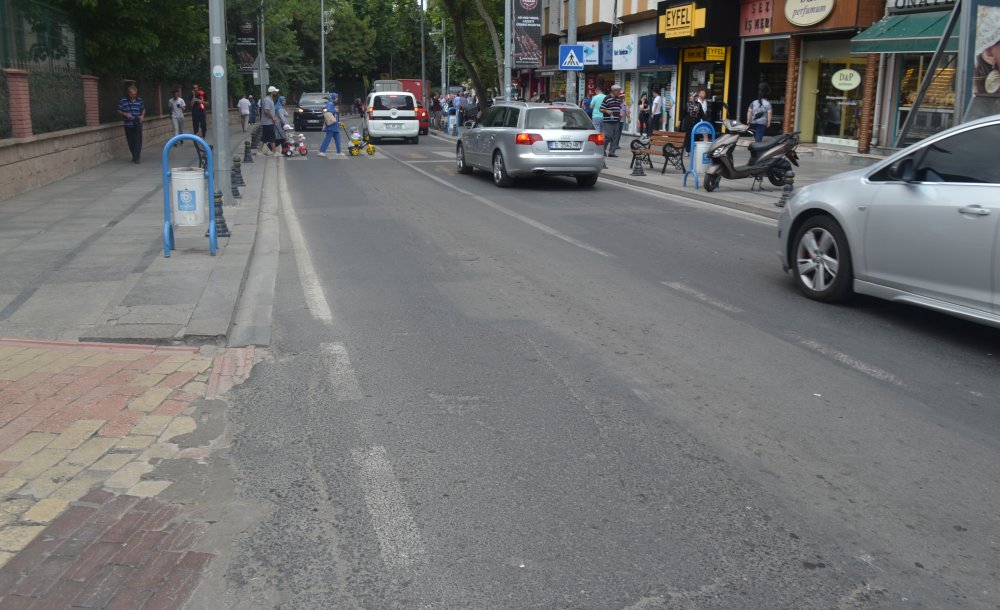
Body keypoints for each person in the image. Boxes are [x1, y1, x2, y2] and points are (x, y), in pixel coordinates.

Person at [117, 84, 145, 164]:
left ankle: (137, 158)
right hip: (128, 124)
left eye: (135, 94)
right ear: (128, 93)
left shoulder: (139, 100)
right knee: (130, 141)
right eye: (132, 94)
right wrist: (125, 114)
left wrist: (142, 116)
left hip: (137, 123)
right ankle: (134, 155)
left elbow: (143, 109)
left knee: (138, 141)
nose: (134, 96)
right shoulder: (123, 101)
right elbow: (119, 110)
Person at [600, 84, 625, 156]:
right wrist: (607, 111)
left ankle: (612, 152)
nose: (620, 92)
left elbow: (619, 107)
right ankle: (602, 150)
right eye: (618, 91)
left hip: (616, 120)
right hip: (608, 121)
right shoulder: (607, 98)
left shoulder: (618, 99)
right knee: (608, 136)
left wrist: (620, 113)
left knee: (615, 137)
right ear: (614, 91)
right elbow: (601, 109)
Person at [318, 92, 342, 157]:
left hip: (334, 125)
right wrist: (335, 111)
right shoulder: (330, 104)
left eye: (337, 97)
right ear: (333, 97)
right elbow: (328, 111)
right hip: (331, 125)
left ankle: (339, 151)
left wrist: (338, 121)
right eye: (336, 97)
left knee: (337, 139)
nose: (337, 98)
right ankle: (321, 151)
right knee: (328, 139)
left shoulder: (332, 104)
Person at [259, 85, 279, 155]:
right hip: (268, 122)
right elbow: (266, 110)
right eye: (275, 91)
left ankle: (259, 152)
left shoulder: (269, 99)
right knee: (272, 137)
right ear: (272, 92)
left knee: (264, 137)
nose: (276, 92)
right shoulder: (267, 100)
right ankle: (274, 152)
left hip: (267, 122)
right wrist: (272, 117)